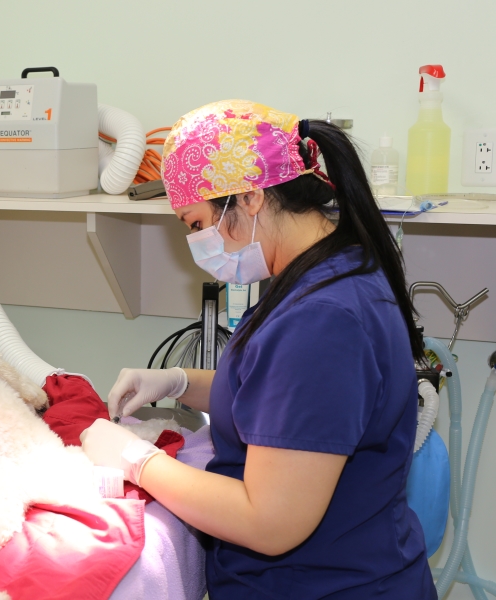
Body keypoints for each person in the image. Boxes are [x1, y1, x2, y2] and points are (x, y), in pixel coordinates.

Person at [81, 100, 436, 598]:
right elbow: (279, 395)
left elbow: (269, 521)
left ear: (248, 197)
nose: (196, 241)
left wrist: (138, 460)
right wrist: (179, 383)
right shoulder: (319, 273)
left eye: (194, 223)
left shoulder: (323, 318)